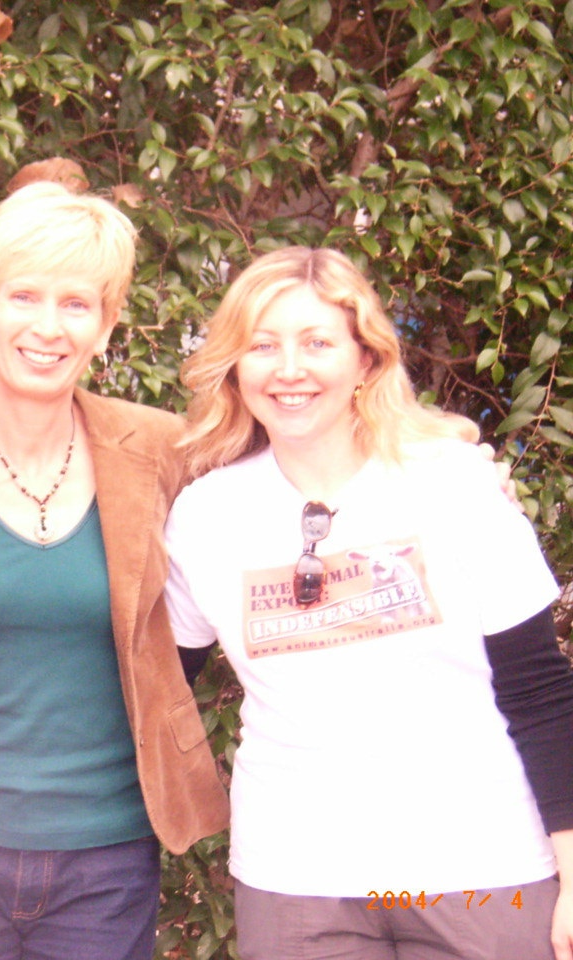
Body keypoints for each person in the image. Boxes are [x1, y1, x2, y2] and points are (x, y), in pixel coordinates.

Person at [163, 246, 573, 960]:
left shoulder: (450, 483)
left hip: (480, 870)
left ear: (366, 360)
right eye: (263, 346)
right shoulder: (206, 514)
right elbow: (161, 683)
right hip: (298, 882)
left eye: (317, 343)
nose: (289, 370)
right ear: (235, 366)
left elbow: (540, 688)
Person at [0, 181, 229, 960]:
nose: (47, 326)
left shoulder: (167, 453)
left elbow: (303, 479)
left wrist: (442, 455)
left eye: (77, 303)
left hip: (106, 856)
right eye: (23, 296)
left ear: (107, 326)